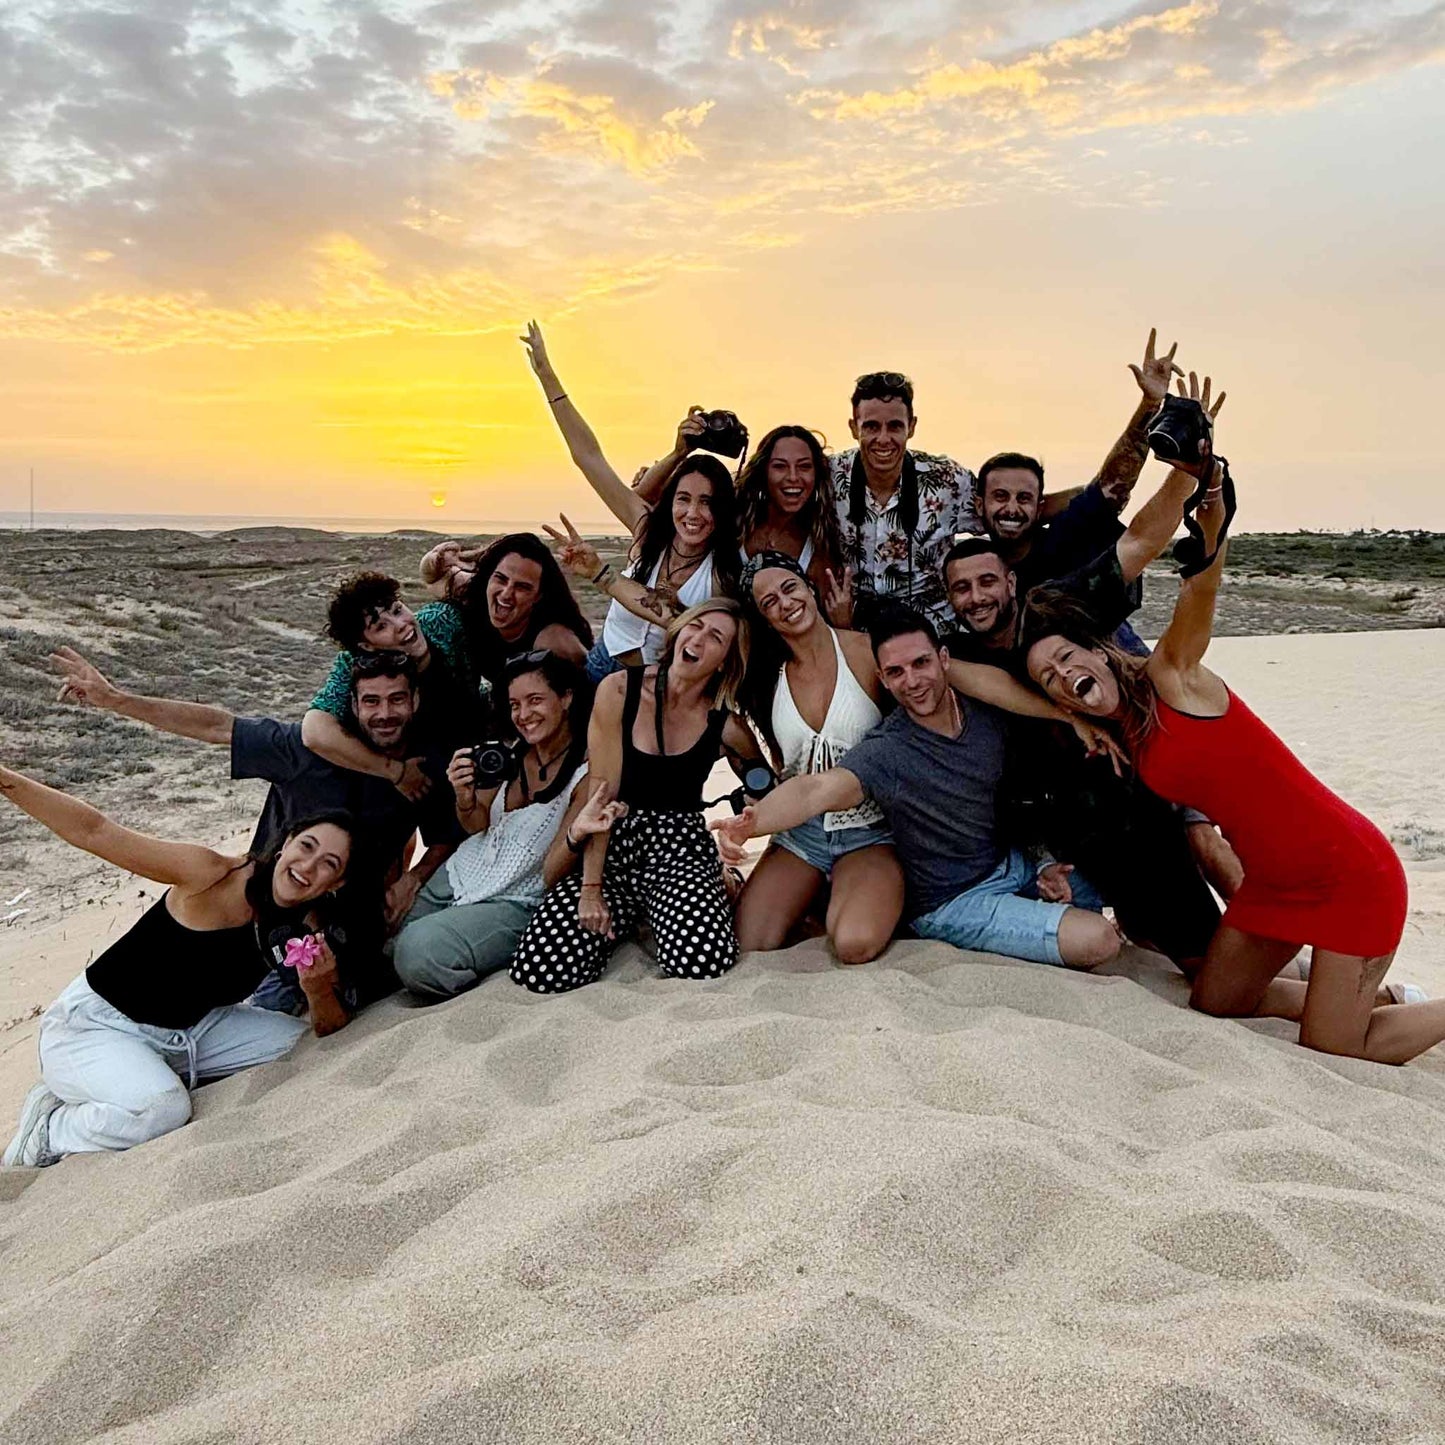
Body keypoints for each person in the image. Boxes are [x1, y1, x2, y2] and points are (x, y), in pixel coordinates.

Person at [1022, 430, 1445, 1064]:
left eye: (1064, 657)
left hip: (1348, 873)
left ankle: (1367, 1010)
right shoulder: (1116, 731)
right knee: (1216, 1000)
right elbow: (973, 676)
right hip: (1272, 884)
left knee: (1334, 1044)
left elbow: (1200, 595)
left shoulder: (1172, 677)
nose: (1061, 674)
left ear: (1098, 650)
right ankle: (1373, 997)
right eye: (1047, 679)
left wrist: (1211, 515)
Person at [714, 606, 1125, 971]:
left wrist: (1043, 862)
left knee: (1111, 895)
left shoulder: (985, 715)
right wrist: (754, 822)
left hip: (1009, 863)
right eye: (896, 672)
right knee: (1098, 940)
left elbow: (1022, 797)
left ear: (944, 660)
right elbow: (816, 790)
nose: (912, 681)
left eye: (921, 663)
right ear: (883, 680)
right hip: (952, 900)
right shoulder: (888, 751)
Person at [48, 646, 462, 1006]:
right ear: (353, 705)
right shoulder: (307, 751)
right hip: (266, 926)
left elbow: (446, 834)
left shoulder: (422, 768)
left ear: (414, 700)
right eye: (371, 701)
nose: (385, 714)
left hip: (361, 928)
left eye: (396, 699)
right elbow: (215, 726)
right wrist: (116, 700)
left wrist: (413, 879)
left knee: (376, 993)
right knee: (258, 1009)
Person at [1, 765, 355, 1168]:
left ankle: (137, 1076)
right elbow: (95, 831)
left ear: (336, 883)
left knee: (294, 1044)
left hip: (192, 1028)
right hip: (95, 1026)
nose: (308, 866)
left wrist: (316, 989)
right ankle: (50, 1127)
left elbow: (327, 1026)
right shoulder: (212, 874)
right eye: (306, 846)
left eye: (329, 863)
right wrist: (5, 779)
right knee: (163, 1110)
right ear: (285, 842)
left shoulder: (307, 926)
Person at [511, 599, 765, 993]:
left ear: (725, 662)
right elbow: (602, 795)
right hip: (613, 843)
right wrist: (590, 890)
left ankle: (720, 880)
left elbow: (763, 784)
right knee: (541, 968)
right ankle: (634, 916)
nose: (697, 638)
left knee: (702, 961)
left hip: (679, 850)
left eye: (715, 637)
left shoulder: (726, 723)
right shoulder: (619, 690)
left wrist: (744, 821)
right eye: (694, 625)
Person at [521, 321, 741, 680]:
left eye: (708, 502)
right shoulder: (649, 531)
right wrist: (548, 377)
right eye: (683, 499)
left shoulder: (721, 570)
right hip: (603, 663)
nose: (693, 513)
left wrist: (602, 574)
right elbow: (589, 457)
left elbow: (679, 619)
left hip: (659, 684)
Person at [392, 652, 596, 1000]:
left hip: (517, 898)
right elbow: (476, 825)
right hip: (461, 872)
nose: (523, 715)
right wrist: (464, 797)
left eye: (535, 700)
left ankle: (475, 987)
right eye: (515, 705)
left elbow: (552, 873)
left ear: (566, 698)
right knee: (387, 939)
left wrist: (577, 835)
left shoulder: (585, 772)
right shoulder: (508, 752)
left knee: (417, 954)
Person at [735, 552, 903, 964]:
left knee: (854, 945)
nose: (785, 603)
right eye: (769, 602)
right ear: (764, 619)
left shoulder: (866, 650)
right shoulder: (765, 679)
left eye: (789, 588)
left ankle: (845, 895)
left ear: (810, 588)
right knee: (749, 944)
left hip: (871, 830)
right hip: (800, 832)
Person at [831, 370, 1082, 632]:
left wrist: (1095, 495)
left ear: (912, 426)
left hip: (936, 630)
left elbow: (1005, 510)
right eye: (871, 426)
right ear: (853, 427)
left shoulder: (946, 480)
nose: (883, 439)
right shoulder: (830, 475)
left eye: (895, 426)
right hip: (853, 627)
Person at [972, 331, 1197, 612]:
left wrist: (1151, 405)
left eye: (1024, 498)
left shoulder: (1065, 538)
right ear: (979, 505)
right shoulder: (971, 567)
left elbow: (1113, 487)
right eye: (1000, 496)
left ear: (1040, 506)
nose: (1012, 508)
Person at [635, 415, 846, 605]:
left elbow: (824, 622)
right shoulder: (733, 513)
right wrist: (679, 453)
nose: (793, 477)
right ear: (763, 471)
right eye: (780, 466)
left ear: (816, 474)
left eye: (804, 466)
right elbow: (641, 499)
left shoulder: (817, 550)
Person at [305, 571, 478, 799]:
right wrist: (395, 772)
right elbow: (314, 730)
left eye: (397, 610)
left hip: (472, 732)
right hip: (413, 763)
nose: (401, 625)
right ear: (366, 646)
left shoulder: (441, 621)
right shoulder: (356, 665)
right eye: (381, 627)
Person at [454, 532, 593, 723]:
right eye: (501, 579)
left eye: (522, 587)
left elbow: (589, 697)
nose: (506, 594)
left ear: (539, 596)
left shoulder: (552, 642)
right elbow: (437, 578)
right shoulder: (477, 604)